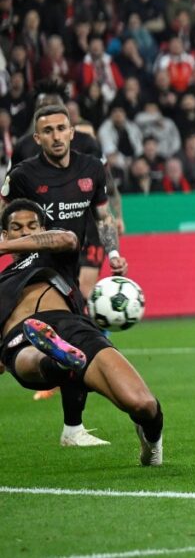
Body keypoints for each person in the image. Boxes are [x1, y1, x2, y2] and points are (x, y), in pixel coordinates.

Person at [2, 103, 128, 446]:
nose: (56, 136)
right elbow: (5, 218)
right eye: (48, 131)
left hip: (69, 268)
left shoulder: (91, 169)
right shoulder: (23, 175)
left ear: (73, 132)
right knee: (66, 342)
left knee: (66, 347)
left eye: (61, 129)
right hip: (36, 270)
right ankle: (73, 428)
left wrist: (113, 252)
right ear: (38, 138)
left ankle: (73, 429)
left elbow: (103, 218)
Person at [0, 199, 163, 465]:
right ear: (5, 232)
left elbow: (67, 238)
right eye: (16, 228)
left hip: (73, 327)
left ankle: (152, 441)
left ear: (43, 228)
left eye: (32, 226)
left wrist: (3, 246)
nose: (25, 232)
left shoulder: (54, 255)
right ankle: (55, 357)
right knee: (30, 356)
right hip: (20, 335)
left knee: (143, 404)